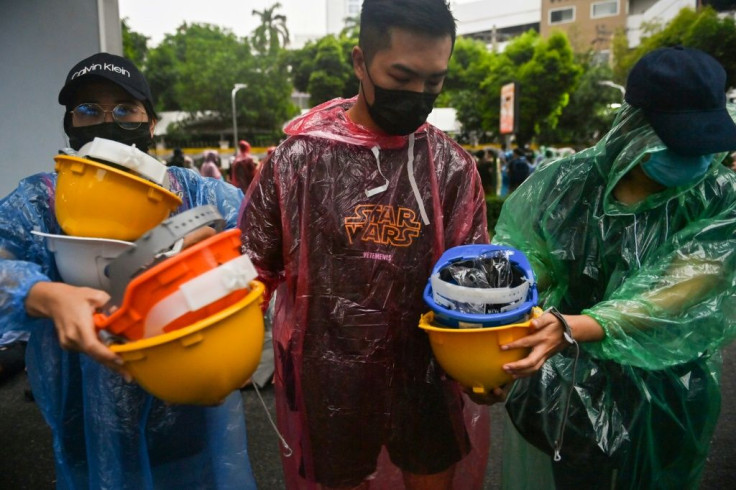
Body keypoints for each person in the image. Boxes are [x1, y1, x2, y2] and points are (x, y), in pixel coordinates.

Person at [238, 0, 490, 488]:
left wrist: (487, 357)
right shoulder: (298, 159)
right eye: (401, 76)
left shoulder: (452, 167)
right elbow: (251, 268)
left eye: (434, 81)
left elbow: (474, 279)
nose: (418, 94)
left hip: (428, 374)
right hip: (330, 377)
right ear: (359, 62)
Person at [0, 52, 256, 489]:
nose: (108, 122)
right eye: (88, 110)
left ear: (150, 123)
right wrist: (43, 294)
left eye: (125, 110)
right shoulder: (40, 202)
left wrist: (216, 249)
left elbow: (263, 243)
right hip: (87, 417)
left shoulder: (197, 194)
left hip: (188, 407)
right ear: (69, 125)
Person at [484, 46, 736, 489]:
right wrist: (494, 336)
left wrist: (586, 325)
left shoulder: (716, 195)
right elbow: (531, 262)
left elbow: (694, 279)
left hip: (671, 389)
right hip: (574, 387)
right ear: (636, 127)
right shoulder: (568, 183)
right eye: (680, 141)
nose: (695, 157)